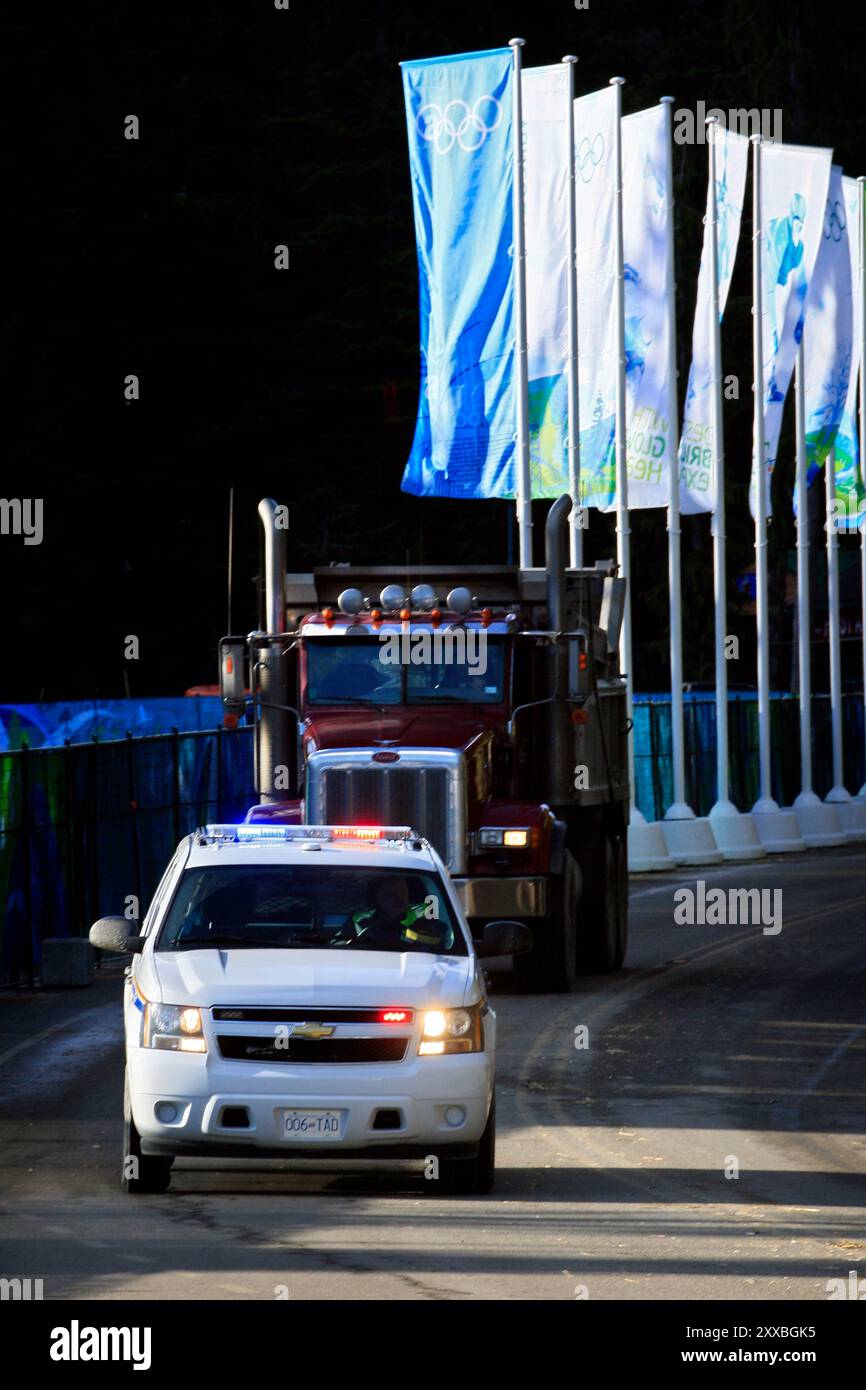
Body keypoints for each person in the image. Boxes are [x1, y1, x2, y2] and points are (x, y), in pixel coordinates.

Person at [348, 876, 451, 950]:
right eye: (392, 894)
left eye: (403, 893)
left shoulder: (424, 915)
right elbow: (341, 944)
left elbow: (442, 943)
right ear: (378, 897)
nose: (400, 899)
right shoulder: (360, 921)